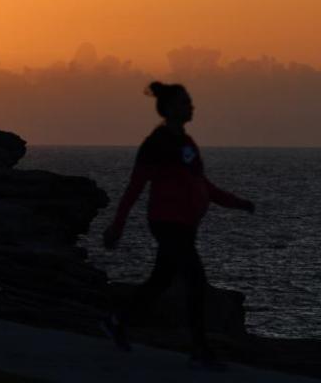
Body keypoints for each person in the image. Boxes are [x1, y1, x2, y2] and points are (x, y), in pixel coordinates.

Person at [100, 82, 255, 370]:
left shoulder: (187, 144)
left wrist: (237, 202)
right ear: (171, 108)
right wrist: (117, 225)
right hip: (166, 222)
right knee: (195, 280)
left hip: (186, 224)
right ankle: (200, 349)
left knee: (159, 281)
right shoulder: (155, 144)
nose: (191, 107)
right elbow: (136, 186)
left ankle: (116, 321)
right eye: (185, 102)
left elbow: (202, 184)